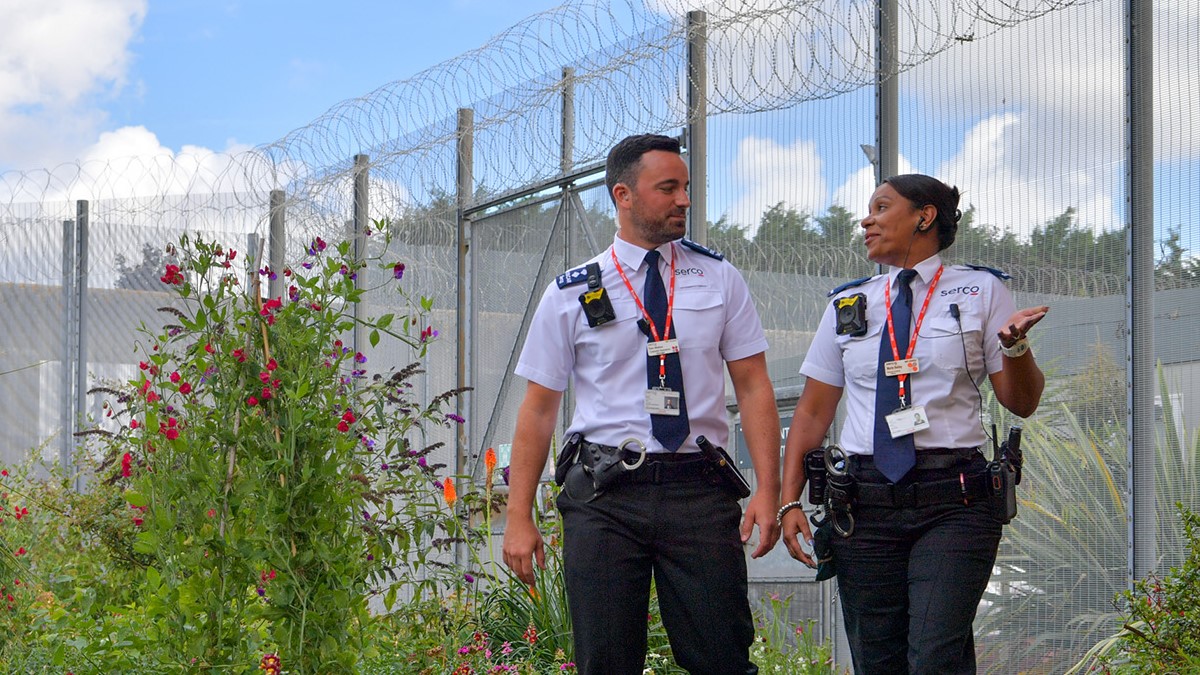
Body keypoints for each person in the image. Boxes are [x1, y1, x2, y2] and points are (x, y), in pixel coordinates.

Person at [501, 133, 781, 674]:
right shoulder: (570, 294)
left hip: (699, 492)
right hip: (605, 494)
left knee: (723, 659)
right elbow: (538, 409)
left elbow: (753, 386)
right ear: (623, 195)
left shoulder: (719, 277)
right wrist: (518, 516)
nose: (685, 200)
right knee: (606, 662)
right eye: (668, 188)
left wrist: (768, 490)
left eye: (687, 188)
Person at [777, 174, 1048, 674]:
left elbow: (1021, 401)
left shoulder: (980, 289)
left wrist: (1015, 347)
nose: (867, 219)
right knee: (877, 660)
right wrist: (790, 499)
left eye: (881, 207)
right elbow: (814, 412)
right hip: (863, 507)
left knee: (934, 656)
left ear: (924, 216)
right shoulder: (846, 304)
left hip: (955, 502)